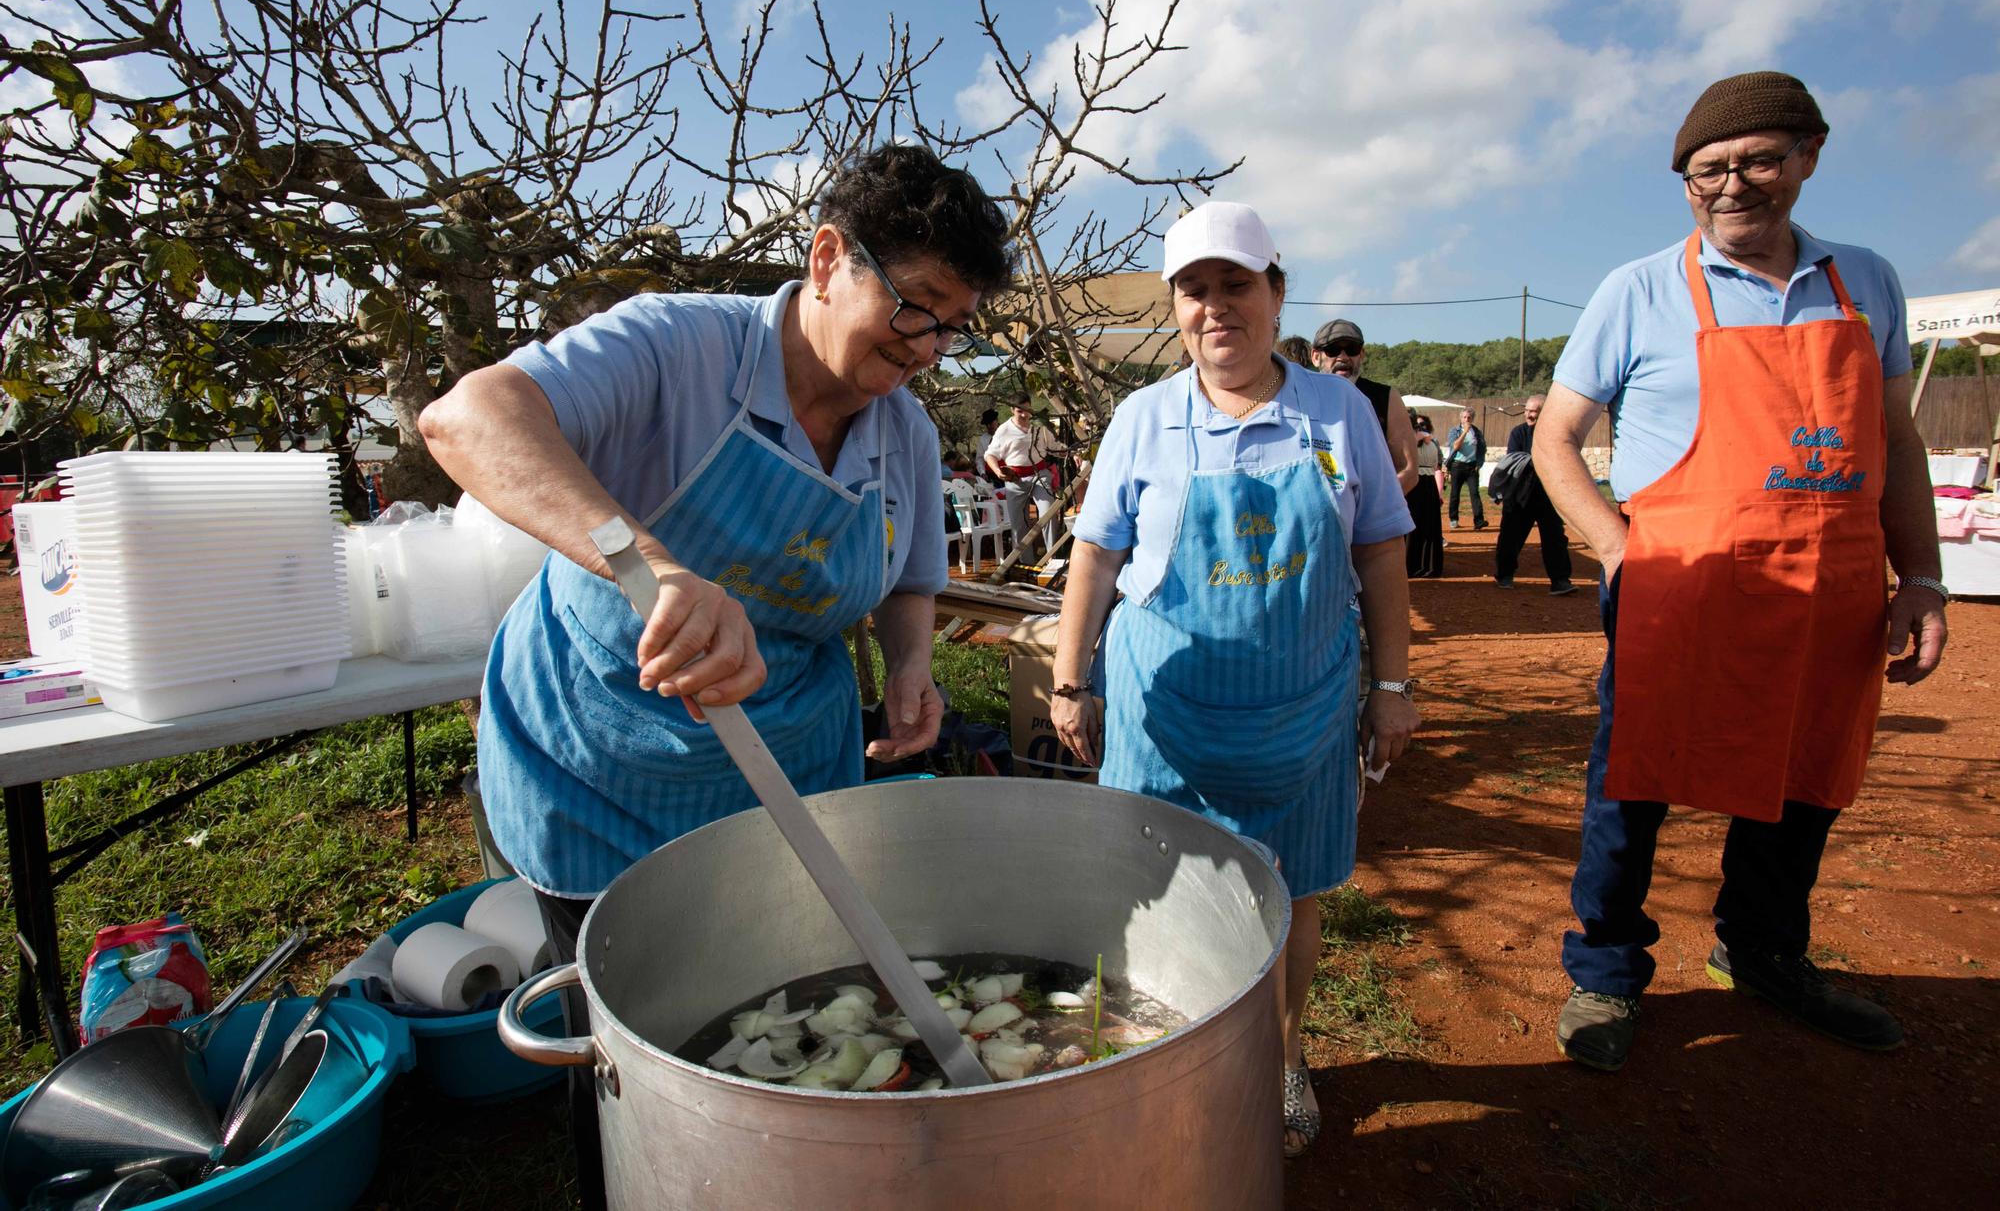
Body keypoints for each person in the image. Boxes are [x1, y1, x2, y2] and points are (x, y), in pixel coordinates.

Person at [418, 143, 1013, 1206]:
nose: (928, 348)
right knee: (631, 1059)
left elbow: (908, 581)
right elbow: (468, 417)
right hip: (602, 766)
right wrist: (649, 563)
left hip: (787, 773)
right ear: (829, 257)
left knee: (786, 1014)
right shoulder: (676, 343)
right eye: (916, 306)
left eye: (952, 327)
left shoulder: (905, 432)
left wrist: (912, 665)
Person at [1536, 71, 1949, 1073]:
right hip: (1676, 588)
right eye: (1705, 170)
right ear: (1682, 182)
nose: (1730, 184)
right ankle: (1602, 971)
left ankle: (1761, 952)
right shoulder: (1637, 289)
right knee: (1630, 784)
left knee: (1801, 780)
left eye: (1757, 159)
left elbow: (1891, 440)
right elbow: (1554, 441)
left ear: (1805, 157)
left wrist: (1922, 576)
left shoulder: (1865, 281)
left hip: (1831, 589)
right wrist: (1615, 542)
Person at [1048, 200, 1418, 1158]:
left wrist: (1393, 685)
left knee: (1294, 898)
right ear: (1176, 307)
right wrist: (1067, 679)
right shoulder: (1144, 418)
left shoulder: (1338, 412)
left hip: (1303, 714)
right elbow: (1094, 556)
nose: (1216, 307)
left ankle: (1282, 1059)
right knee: (1148, 889)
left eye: (1236, 285)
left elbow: (1379, 550)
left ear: (1277, 292)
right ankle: (1152, 1055)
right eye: (1195, 290)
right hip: (1164, 715)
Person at [1311, 318, 1419, 494]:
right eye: (1333, 350)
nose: (1343, 357)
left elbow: (1408, 471)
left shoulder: (1385, 397)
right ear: (1316, 357)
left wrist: (1372, 510)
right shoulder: (1301, 397)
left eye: (1352, 349)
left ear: (1361, 355)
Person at [1492, 395, 1574, 594]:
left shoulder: (1555, 433)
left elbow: (1564, 459)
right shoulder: (1518, 433)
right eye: (1527, 410)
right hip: (1520, 495)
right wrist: (1542, 460)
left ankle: (1560, 580)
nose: (1528, 414)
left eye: (1533, 411)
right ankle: (1505, 575)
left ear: (1544, 412)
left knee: (1555, 537)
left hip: (1548, 494)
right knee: (1510, 537)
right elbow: (1515, 459)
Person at [984, 399, 1059, 554]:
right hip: (1014, 479)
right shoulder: (1004, 429)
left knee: (1048, 513)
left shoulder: (1039, 425)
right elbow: (990, 454)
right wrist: (998, 472)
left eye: (1027, 409)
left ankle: (1053, 557)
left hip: (1040, 475)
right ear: (1012, 409)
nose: (1025, 414)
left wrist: (1075, 453)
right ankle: (1027, 563)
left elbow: (1055, 448)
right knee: (1018, 523)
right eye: (1020, 411)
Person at [1406, 414, 1444, 577]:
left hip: (1419, 483)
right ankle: (1423, 565)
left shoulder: (1415, 441)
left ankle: (1416, 565)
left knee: (1420, 525)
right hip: (1425, 484)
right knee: (1423, 525)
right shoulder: (1431, 441)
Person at [1444, 408, 1487, 529]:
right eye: (1464, 417)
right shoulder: (1455, 431)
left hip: (1472, 466)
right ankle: (1453, 519)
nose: (1467, 419)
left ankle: (1479, 521)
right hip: (1457, 465)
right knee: (1455, 493)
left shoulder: (1477, 432)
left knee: (1475, 493)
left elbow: (1482, 448)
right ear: (1460, 418)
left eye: (1469, 417)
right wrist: (1465, 432)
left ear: (1472, 419)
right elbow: (1455, 446)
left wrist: (1479, 463)